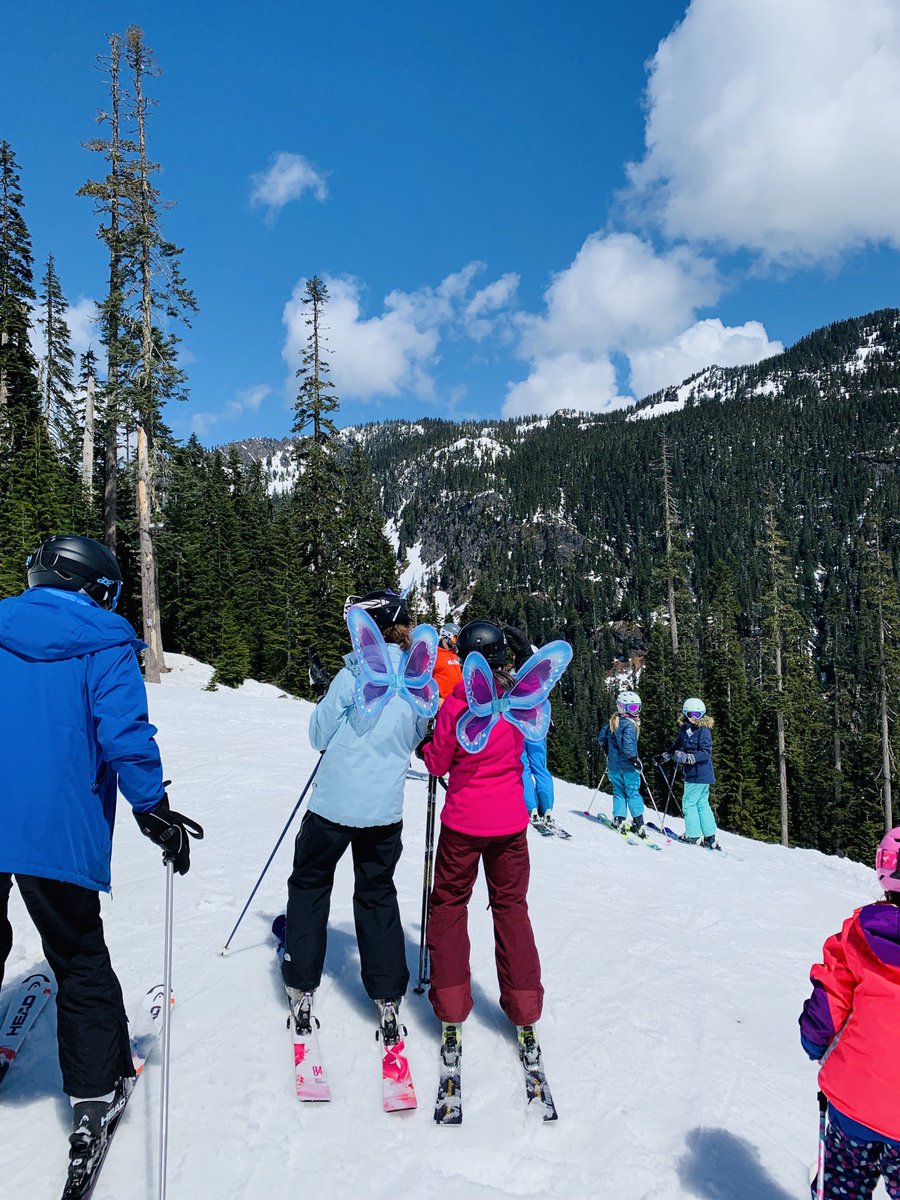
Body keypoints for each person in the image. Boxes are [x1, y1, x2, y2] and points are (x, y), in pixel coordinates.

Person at [0, 535, 200, 1180]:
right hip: (53, 827)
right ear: (91, 584)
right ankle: (95, 1092)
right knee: (78, 956)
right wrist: (153, 807)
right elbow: (122, 733)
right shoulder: (104, 640)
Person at [280, 589, 430, 1039]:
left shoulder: (355, 673)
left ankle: (301, 984)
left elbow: (317, 733)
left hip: (332, 807)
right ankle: (387, 996)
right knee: (376, 893)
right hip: (384, 811)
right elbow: (419, 735)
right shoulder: (420, 681)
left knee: (309, 884)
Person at [420, 619, 544, 1066]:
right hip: (510, 824)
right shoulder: (515, 703)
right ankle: (525, 1007)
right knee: (512, 909)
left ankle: (451, 1006)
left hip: (463, 825)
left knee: (450, 905)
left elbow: (437, 764)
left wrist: (428, 744)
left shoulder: (457, 705)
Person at [799, 826, 900, 1199]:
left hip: (853, 1101)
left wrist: (813, 1042)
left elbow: (827, 1005)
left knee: (843, 1185)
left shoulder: (859, 932)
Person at [503, 626, 556, 830]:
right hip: (538, 729)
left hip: (518, 729)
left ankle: (530, 807)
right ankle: (548, 807)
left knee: (523, 767)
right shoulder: (542, 682)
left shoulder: (512, 679)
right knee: (541, 768)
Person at [657, 697, 718, 849]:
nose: (694, 718)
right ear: (685, 713)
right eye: (691, 714)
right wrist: (666, 756)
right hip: (696, 774)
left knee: (689, 803)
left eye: (698, 715)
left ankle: (693, 835)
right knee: (701, 803)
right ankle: (710, 837)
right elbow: (677, 745)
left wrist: (688, 757)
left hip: (699, 774)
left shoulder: (703, 731)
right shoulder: (685, 729)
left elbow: (705, 753)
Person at [597, 691, 647, 838]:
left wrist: (608, 752)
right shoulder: (630, 726)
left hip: (614, 767)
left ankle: (619, 819)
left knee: (619, 791)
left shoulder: (612, 722)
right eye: (632, 708)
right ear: (622, 707)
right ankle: (639, 822)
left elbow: (601, 739)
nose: (636, 712)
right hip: (628, 767)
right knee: (632, 792)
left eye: (638, 708)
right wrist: (634, 761)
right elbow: (628, 746)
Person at [433, 621, 463, 702]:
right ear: (446, 636)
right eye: (455, 638)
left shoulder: (455, 654)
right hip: (443, 702)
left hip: (458, 701)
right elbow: (426, 680)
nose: (456, 642)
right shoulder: (435, 654)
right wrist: (436, 698)